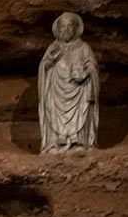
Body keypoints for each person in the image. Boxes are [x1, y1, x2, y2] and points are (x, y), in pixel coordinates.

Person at [38, 12, 99, 153]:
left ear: (76, 29)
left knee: (82, 109)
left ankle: (78, 142)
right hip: (57, 91)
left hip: (78, 91)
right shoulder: (53, 48)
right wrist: (50, 61)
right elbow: (44, 66)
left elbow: (92, 66)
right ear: (58, 30)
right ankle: (55, 143)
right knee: (52, 108)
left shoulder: (84, 48)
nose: (66, 30)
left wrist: (85, 73)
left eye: (69, 26)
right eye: (63, 27)